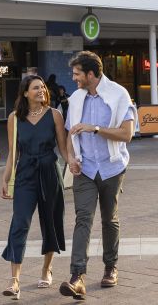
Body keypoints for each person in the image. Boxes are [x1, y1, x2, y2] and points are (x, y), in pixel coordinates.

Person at [60, 51, 135, 300]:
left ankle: (110, 267)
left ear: (91, 74)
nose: (74, 78)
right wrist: (71, 158)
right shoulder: (77, 98)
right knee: (83, 218)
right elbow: (72, 133)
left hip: (112, 168)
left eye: (77, 74)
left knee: (109, 219)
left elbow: (127, 134)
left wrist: (96, 128)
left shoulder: (118, 95)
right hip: (86, 169)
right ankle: (77, 276)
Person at [1, 75, 69, 299]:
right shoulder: (14, 118)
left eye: (42, 87)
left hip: (50, 171)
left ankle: (46, 269)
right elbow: (13, 153)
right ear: (25, 93)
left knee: (50, 222)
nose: (41, 91)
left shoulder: (55, 115)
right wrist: (5, 178)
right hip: (25, 174)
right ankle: (14, 281)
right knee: (19, 223)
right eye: (35, 88)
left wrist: (74, 164)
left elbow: (63, 148)